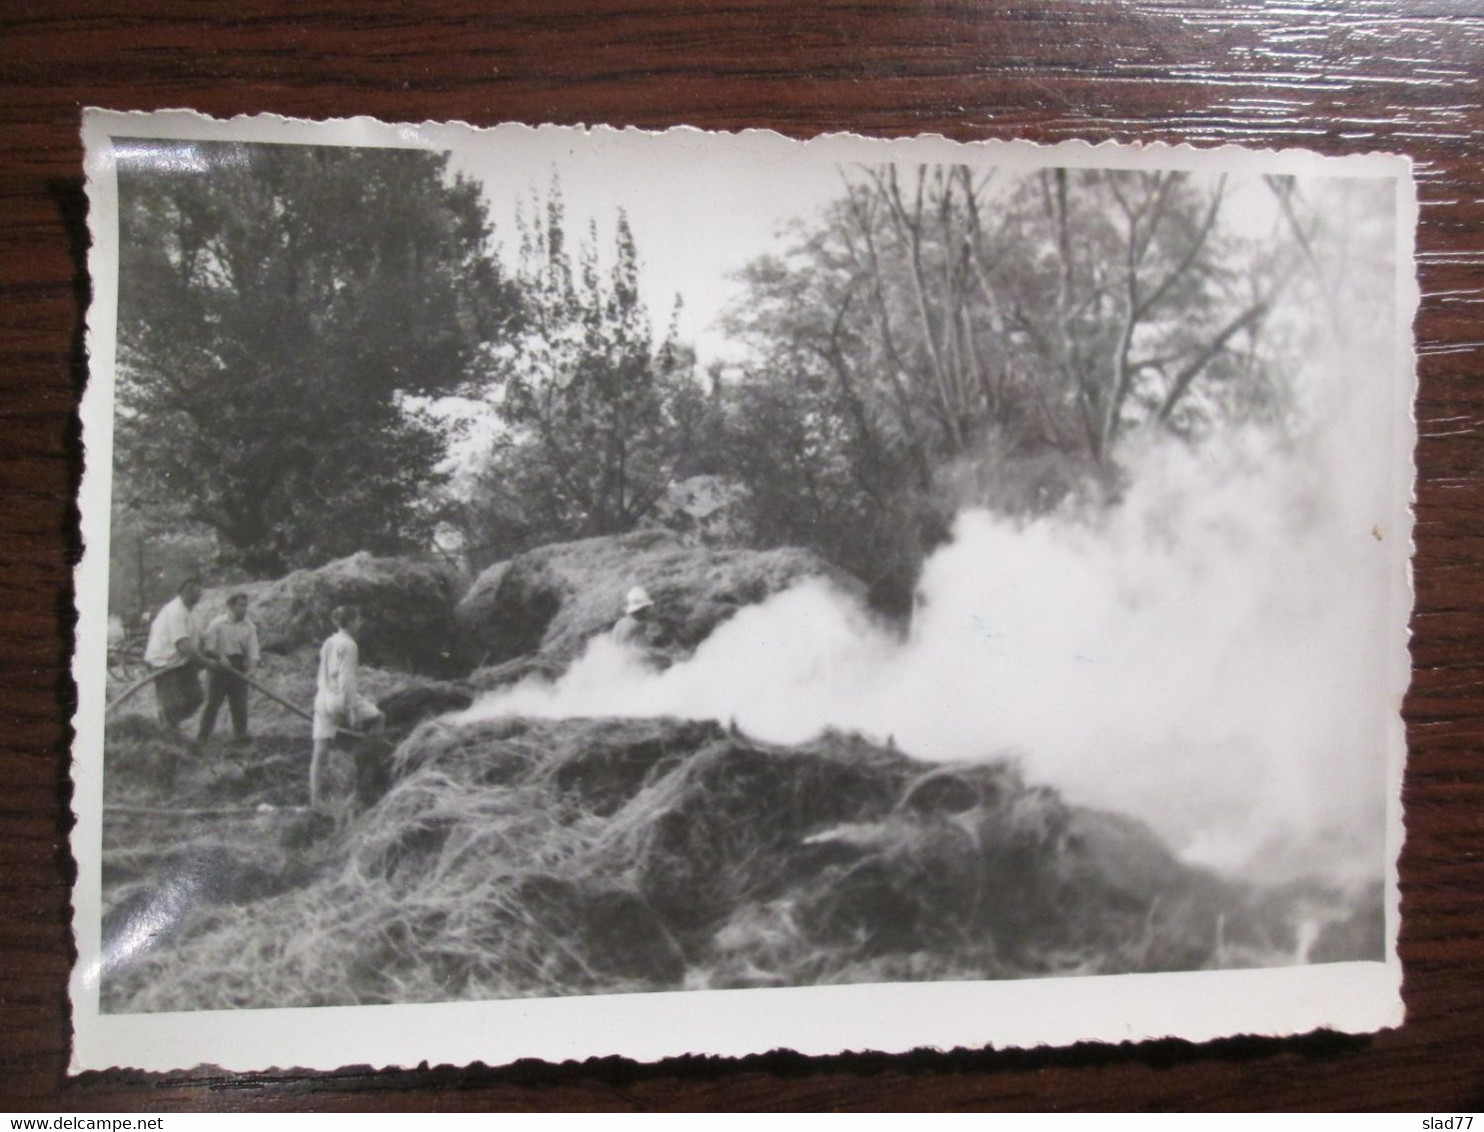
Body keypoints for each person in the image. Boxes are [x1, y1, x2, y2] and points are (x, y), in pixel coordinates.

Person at [310, 604, 384, 812]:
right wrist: (351, 709)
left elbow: (322, 675)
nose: (360, 623)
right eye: (358, 619)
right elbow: (347, 682)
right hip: (339, 699)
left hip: (322, 697)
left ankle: (315, 803)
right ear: (350, 622)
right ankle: (369, 778)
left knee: (320, 750)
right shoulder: (350, 645)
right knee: (379, 718)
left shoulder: (329, 642)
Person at [143, 577, 206, 734]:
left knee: (196, 697)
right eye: (198, 592)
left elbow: (199, 638)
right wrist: (205, 662)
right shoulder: (175, 611)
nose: (200, 595)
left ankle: (172, 726)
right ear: (188, 592)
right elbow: (183, 644)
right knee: (172, 704)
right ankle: (168, 733)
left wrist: (207, 654)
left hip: (182, 661)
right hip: (164, 662)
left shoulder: (192, 611)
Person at [197, 592, 260, 747]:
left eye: (246, 605)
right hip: (218, 667)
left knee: (240, 705)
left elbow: (253, 652)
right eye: (241, 605)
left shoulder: (249, 626)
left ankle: (240, 737)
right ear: (231, 606)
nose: (245, 609)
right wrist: (220, 657)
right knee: (212, 704)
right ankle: (202, 738)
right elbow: (208, 648)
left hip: (238, 667)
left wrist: (252, 670)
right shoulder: (217, 623)